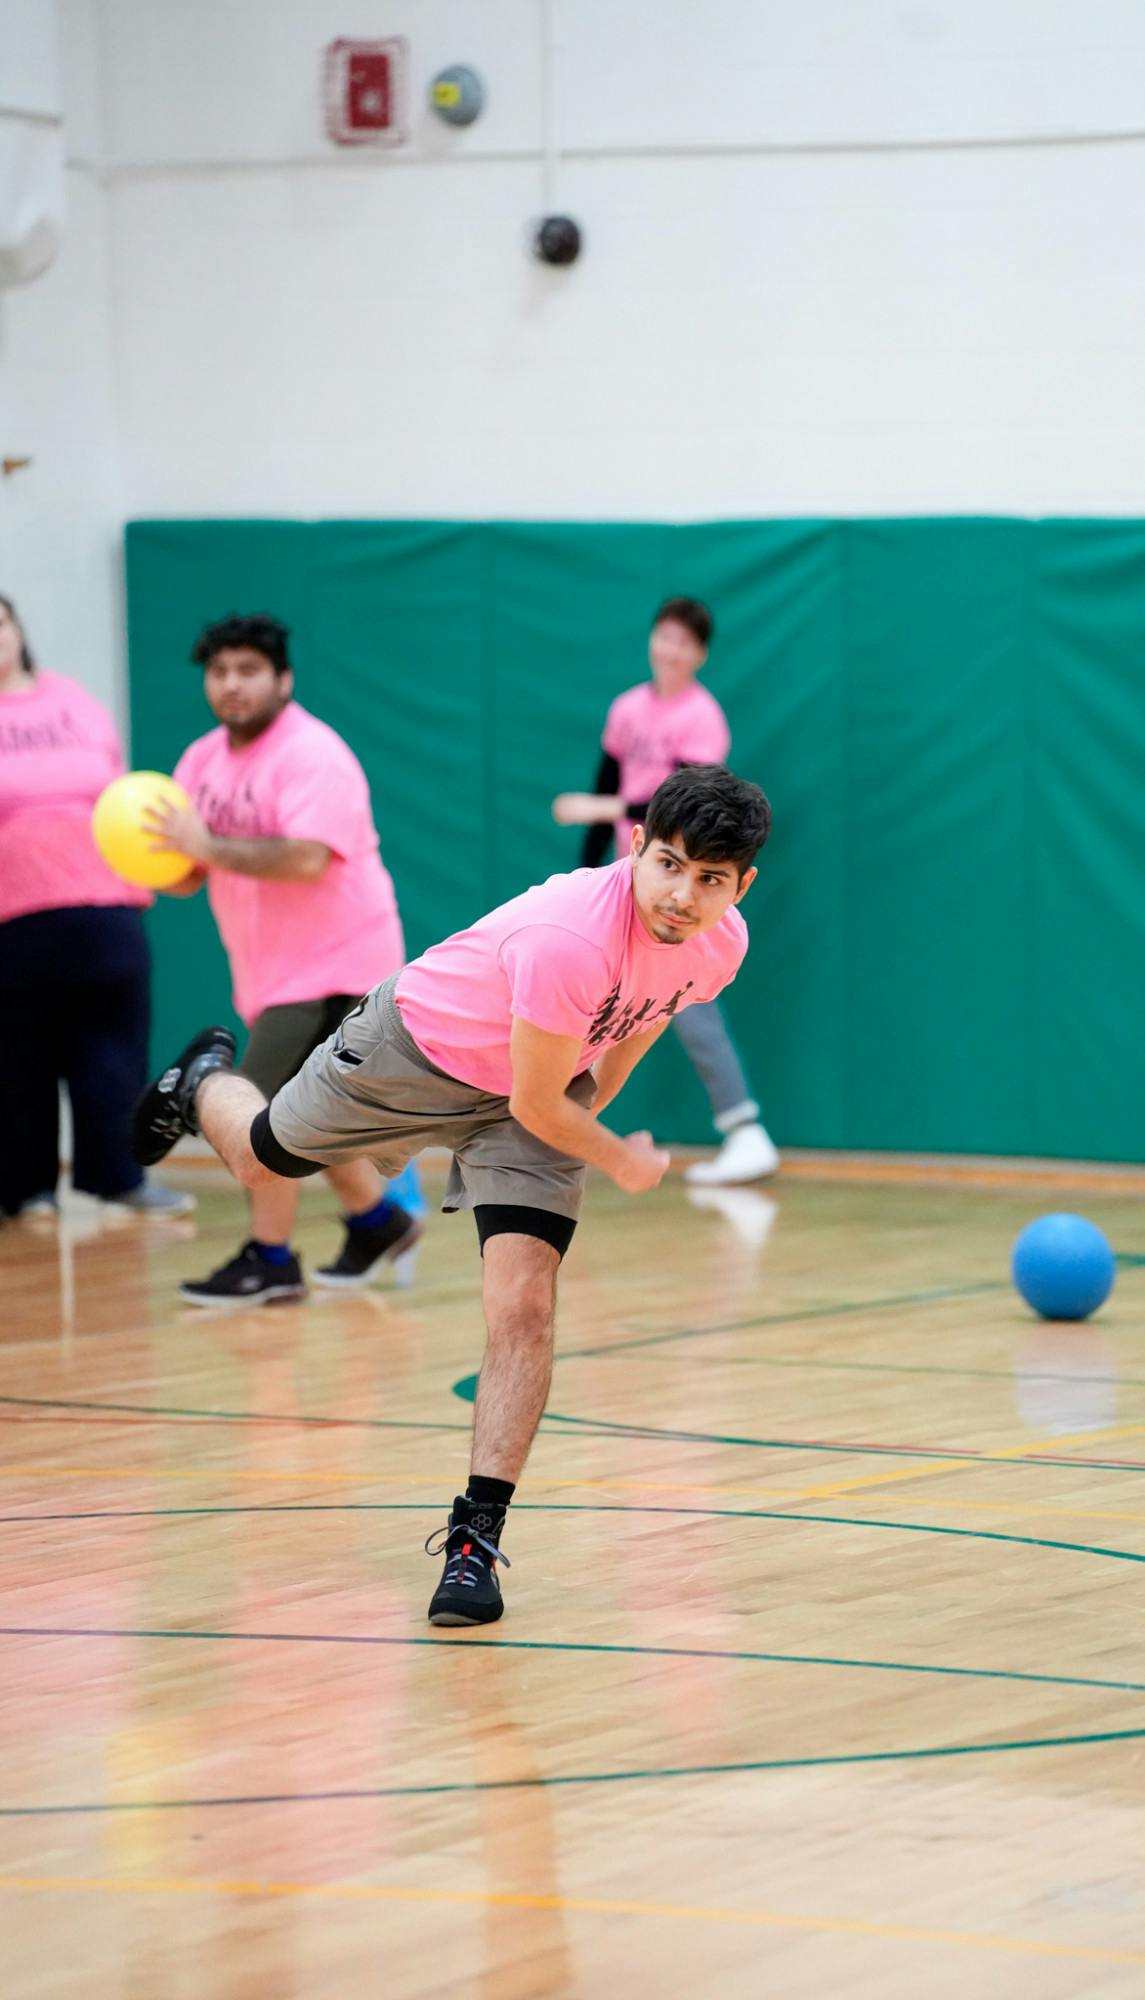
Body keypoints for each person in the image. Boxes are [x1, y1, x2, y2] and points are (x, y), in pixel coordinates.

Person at [133, 763, 771, 1623]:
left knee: (524, 1308)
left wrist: (596, 1106)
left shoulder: (718, 944)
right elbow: (536, 1101)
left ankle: (473, 1542)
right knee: (258, 1160)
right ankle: (204, 1080)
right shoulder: (569, 937)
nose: (681, 896)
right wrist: (616, 1158)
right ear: (635, 848)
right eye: (668, 865)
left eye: (710, 881)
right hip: (413, 1055)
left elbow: (641, 1019)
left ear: (741, 886)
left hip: (524, 1097)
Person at [145, 613, 421, 1305]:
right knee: (310, 1117)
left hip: (337, 966)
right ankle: (376, 1220)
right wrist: (156, 862)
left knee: (256, 1111)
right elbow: (188, 868)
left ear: (283, 680)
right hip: (268, 971)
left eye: (248, 670)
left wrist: (203, 848)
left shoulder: (313, 754)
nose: (231, 685)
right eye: (219, 672)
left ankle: (270, 1259)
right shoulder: (202, 760)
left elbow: (303, 857)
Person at [552, 596, 779, 1186]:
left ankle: (743, 1128)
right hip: (632, 878)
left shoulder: (702, 718)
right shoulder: (627, 707)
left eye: (684, 642)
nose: (670, 650)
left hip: (671, 881)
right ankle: (555, 1117)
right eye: (664, 636)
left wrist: (592, 810)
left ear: (700, 654)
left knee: (683, 998)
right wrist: (591, 870)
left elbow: (683, 810)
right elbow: (610, 780)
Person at [0, 593, 191, 1220]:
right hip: (15, 916)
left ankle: (117, 1177)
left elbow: (117, 790)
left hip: (107, 909)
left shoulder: (74, 701)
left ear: (18, 630)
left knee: (113, 1049)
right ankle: (24, 1189)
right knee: (17, 1056)